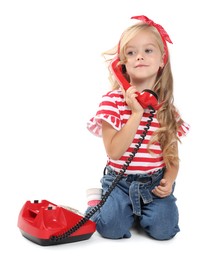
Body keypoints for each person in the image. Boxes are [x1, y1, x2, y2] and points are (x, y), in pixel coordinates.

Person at [86, 15, 190, 241]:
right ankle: (98, 202)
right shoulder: (112, 102)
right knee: (110, 229)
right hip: (119, 182)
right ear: (121, 64)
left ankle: (138, 212)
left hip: (153, 185)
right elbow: (114, 152)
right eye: (131, 52)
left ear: (163, 60)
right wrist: (136, 114)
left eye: (148, 50)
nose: (139, 56)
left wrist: (169, 180)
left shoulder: (167, 110)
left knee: (164, 231)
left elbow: (172, 158)